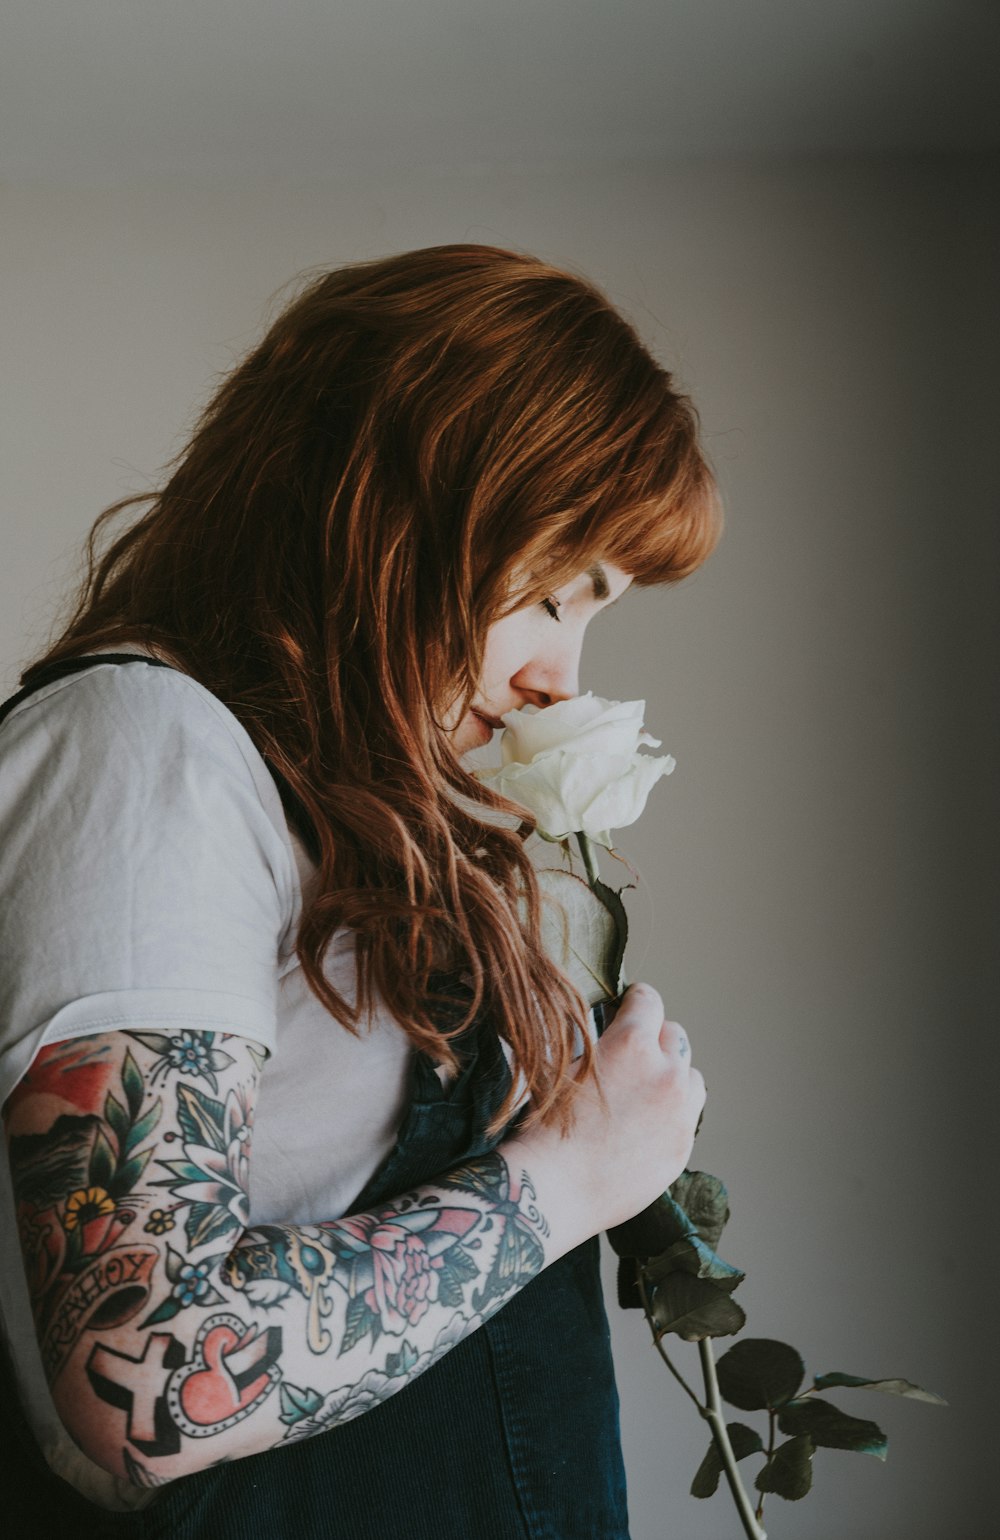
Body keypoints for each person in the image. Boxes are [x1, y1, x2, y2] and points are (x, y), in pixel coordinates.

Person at [0, 244, 717, 1539]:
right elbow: (144, 1376)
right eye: (556, 591)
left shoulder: (314, 799)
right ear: (398, 507)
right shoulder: (148, 748)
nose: (565, 675)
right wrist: (569, 1175)